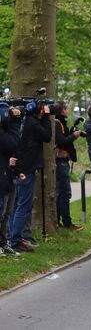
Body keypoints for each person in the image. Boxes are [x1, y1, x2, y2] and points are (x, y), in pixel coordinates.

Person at [9, 101, 52, 252]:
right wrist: (46, 117)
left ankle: (12, 237)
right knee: (23, 205)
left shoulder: (24, 122)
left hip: (21, 167)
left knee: (16, 205)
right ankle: (15, 240)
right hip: (26, 169)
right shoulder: (32, 123)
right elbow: (47, 136)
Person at [54, 102, 83, 231]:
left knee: (61, 193)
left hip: (62, 161)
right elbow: (61, 141)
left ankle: (59, 221)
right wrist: (73, 136)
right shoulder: (56, 123)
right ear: (62, 111)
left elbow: (64, 137)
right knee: (64, 193)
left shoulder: (60, 123)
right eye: (66, 109)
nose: (67, 111)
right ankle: (66, 223)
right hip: (60, 161)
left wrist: (71, 133)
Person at [0, 104, 21, 255]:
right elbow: (14, 143)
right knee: (1, 212)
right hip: (3, 177)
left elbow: (13, 150)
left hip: (8, 174)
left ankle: (3, 242)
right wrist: (15, 122)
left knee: (7, 212)